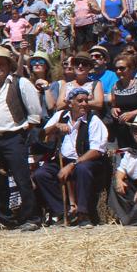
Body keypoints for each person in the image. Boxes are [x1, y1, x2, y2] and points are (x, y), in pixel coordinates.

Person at [0, 46, 43, 232]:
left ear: (9, 65)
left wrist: (24, 130)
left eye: (1, 64)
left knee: (22, 179)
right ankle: (3, 219)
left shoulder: (20, 83)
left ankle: (32, 218)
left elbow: (35, 112)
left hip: (15, 137)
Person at [34, 88, 109, 226]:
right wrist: (55, 127)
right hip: (63, 159)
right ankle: (63, 212)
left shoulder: (93, 120)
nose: (84, 104)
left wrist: (73, 164)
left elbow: (96, 151)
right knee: (41, 174)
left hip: (86, 160)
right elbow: (42, 134)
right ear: (70, 103)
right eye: (80, 101)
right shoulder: (61, 115)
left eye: (86, 101)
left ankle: (83, 214)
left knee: (82, 169)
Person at [107, 48, 137, 150]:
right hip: (123, 132)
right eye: (116, 69)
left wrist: (132, 113)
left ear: (131, 68)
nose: (118, 71)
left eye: (122, 68)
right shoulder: (115, 87)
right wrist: (113, 109)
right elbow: (114, 105)